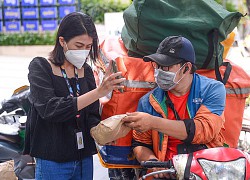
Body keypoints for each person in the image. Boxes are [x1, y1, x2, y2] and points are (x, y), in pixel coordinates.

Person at [23, 12, 125, 180]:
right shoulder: (40, 67)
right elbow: (50, 109)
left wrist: (101, 132)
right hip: (52, 159)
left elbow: (91, 114)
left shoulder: (86, 71)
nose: (84, 52)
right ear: (62, 41)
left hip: (83, 157)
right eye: (78, 46)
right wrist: (98, 92)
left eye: (88, 47)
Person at [122, 35, 226, 179]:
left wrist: (152, 122)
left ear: (186, 68)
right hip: (167, 172)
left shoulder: (213, 89)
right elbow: (140, 144)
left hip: (206, 170)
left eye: (165, 66)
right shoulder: (148, 101)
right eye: (156, 65)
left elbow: (203, 130)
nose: (158, 71)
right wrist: (153, 162)